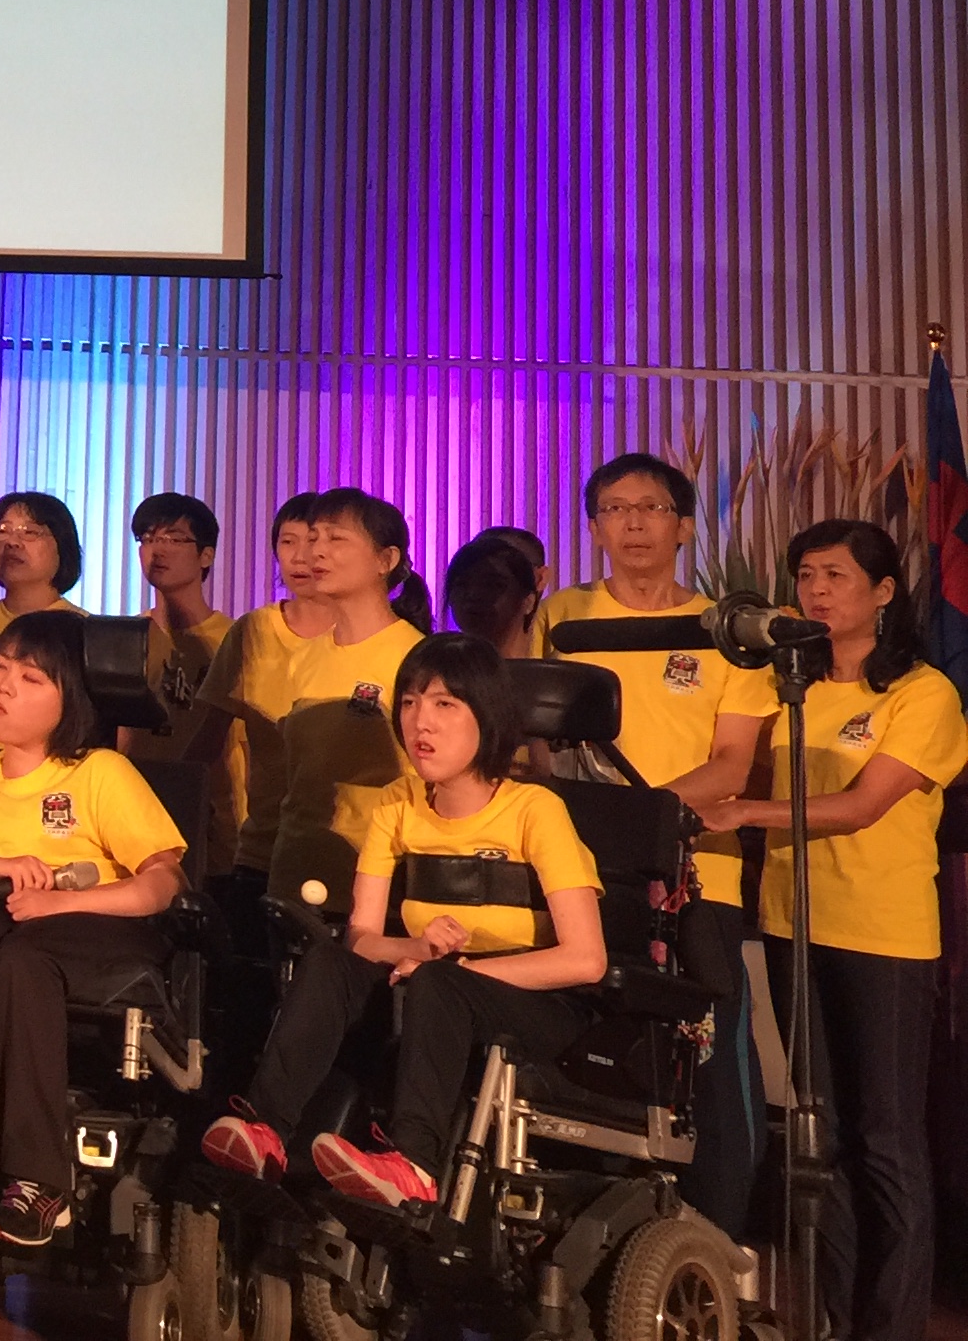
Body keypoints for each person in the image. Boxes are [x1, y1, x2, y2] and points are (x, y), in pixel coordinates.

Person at [204, 634, 606, 1210]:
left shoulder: (534, 810)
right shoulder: (397, 802)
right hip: (432, 982)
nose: (422, 722)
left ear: (486, 715)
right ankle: (267, 1129)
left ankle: (414, 1164)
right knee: (330, 959)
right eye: (411, 702)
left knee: (439, 984)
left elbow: (585, 959)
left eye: (444, 704)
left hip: (536, 999)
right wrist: (416, 948)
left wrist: (456, 971)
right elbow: (364, 938)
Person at [707, 518, 963, 1341]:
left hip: (884, 936)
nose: (816, 590)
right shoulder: (793, 685)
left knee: (886, 1138)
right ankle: (837, 1319)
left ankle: (894, 1325)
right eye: (806, 575)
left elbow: (861, 806)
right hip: (794, 922)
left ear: (883, 592)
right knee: (819, 1132)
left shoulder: (922, 692)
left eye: (836, 575)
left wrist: (743, 812)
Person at [0, 611, 190, 1244]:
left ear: (69, 698)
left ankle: (38, 1182)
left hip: (93, 922)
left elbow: (164, 880)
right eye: (0, 668)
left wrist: (65, 904)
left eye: (30, 678)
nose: (3, 687)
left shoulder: (97, 772)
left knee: (24, 954)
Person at [533, 453, 772, 1232]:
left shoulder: (727, 631)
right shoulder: (564, 616)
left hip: (700, 876)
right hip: (584, 875)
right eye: (614, 508)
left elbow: (733, 764)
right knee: (595, 1056)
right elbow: (535, 742)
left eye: (651, 508)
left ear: (684, 526)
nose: (633, 523)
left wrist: (641, 817)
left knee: (713, 1063)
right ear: (594, 527)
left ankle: (722, 1242)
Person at [258, 489, 430, 905]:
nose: (315, 551)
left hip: (378, 874)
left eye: (336, 538)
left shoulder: (415, 657)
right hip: (295, 868)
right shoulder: (304, 657)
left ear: (386, 560)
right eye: (313, 537)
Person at [184, 492, 336, 899]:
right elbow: (207, 739)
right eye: (287, 541)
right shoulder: (254, 630)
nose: (300, 557)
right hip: (262, 849)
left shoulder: (372, 639)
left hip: (352, 851)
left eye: (313, 541)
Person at [123, 492, 239, 874]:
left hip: (215, 817)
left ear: (206, 555)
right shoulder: (126, 636)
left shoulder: (234, 638)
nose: (157, 549)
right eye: (147, 538)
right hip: (135, 810)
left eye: (173, 538)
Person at [0, 495, 82, 637]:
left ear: (63, 546)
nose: (12, 542)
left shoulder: (88, 633)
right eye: (3, 530)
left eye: (30, 532)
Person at [443, 527, 542, 658]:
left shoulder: (552, 670)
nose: (473, 595)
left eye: (492, 585)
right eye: (461, 585)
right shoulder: (436, 667)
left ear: (529, 601)